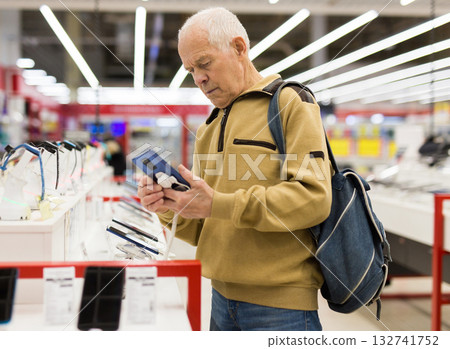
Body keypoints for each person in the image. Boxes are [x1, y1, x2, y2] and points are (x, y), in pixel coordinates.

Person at [138, 7, 332, 331]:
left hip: (280, 308)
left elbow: (314, 198)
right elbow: (203, 229)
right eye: (191, 70)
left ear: (239, 48)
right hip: (219, 302)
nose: (199, 78)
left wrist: (219, 203)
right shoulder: (209, 127)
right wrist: (168, 207)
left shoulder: (290, 103)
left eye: (204, 63)